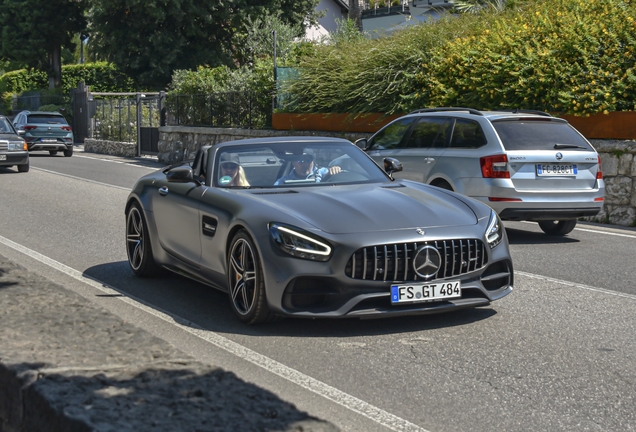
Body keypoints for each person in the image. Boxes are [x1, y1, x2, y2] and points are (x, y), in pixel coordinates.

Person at [274, 152, 341, 185]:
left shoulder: (321, 172)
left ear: (313, 161)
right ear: (293, 163)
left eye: (309, 159)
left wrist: (334, 170)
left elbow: (329, 173)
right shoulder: (282, 182)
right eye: (300, 160)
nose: (305, 164)